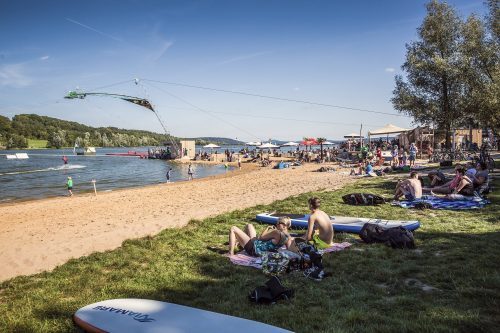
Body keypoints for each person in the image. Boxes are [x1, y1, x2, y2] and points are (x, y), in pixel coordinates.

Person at [228, 217, 292, 256]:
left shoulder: (276, 232)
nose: (276, 224)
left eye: (278, 223)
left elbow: (261, 237)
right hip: (259, 247)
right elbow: (289, 249)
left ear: (284, 225)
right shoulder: (288, 237)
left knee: (233, 228)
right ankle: (240, 244)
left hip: (253, 249)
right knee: (249, 225)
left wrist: (268, 228)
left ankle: (230, 253)